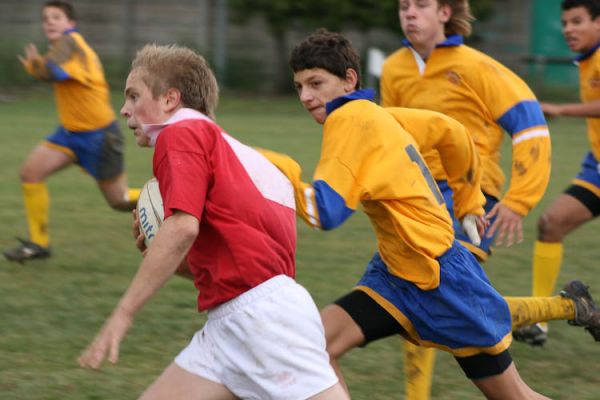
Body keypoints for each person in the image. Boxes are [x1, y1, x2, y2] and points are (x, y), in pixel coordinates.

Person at [259, 29, 600, 399]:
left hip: (441, 279)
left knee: (515, 396)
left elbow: (323, 211)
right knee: (314, 349)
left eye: (316, 83)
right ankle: (569, 306)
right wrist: (468, 202)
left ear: (349, 79)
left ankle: (568, 305)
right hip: (395, 275)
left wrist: (261, 162)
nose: (307, 96)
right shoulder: (376, 115)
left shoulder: (351, 121)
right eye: (299, 87)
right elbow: (452, 133)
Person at [78, 43, 348, 400]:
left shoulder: (179, 133)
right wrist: (168, 258)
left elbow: (183, 227)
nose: (124, 109)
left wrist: (122, 315)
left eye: (133, 95)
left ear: (170, 99)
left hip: (262, 324)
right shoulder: (237, 156)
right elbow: (240, 263)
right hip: (238, 322)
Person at [379, 0, 552, 397]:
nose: (409, 13)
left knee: (429, 287)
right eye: (404, 5)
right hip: (414, 199)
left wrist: (519, 200)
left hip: (472, 197)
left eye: (421, 5)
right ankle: (566, 307)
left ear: (444, 13)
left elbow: (530, 126)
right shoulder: (394, 69)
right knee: (425, 290)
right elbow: (390, 138)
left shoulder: (478, 67)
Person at [4, 0, 140, 263]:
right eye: (45, 19)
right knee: (30, 173)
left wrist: (36, 67)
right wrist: (38, 67)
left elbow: (52, 70)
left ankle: (172, 197)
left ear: (71, 24)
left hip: (100, 137)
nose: (50, 22)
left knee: (120, 200)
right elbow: (53, 70)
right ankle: (39, 243)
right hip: (70, 134)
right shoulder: (62, 48)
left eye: (56, 17)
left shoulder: (70, 43)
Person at [516, 0, 600, 346]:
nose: (568, 29)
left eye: (577, 21)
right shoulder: (586, 61)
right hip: (596, 168)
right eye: (565, 22)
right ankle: (539, 321)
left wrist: (559, 108)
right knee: (550, 224)